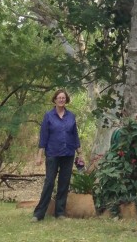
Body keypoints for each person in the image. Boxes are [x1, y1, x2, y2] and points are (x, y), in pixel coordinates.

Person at [32, 88, 82, 221]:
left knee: (64, 183)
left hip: (68, 153)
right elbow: (43, 136)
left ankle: (60, 213)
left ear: (66, 100)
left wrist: (80, 153)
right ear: (54, 100)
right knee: (49, 182)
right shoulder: (48, 116)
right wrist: (39, 155)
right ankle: (38, 214)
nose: (61, 100)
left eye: (63, 98)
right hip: (52, 153)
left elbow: (75, 136)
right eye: (59, 98)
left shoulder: (71, 116)